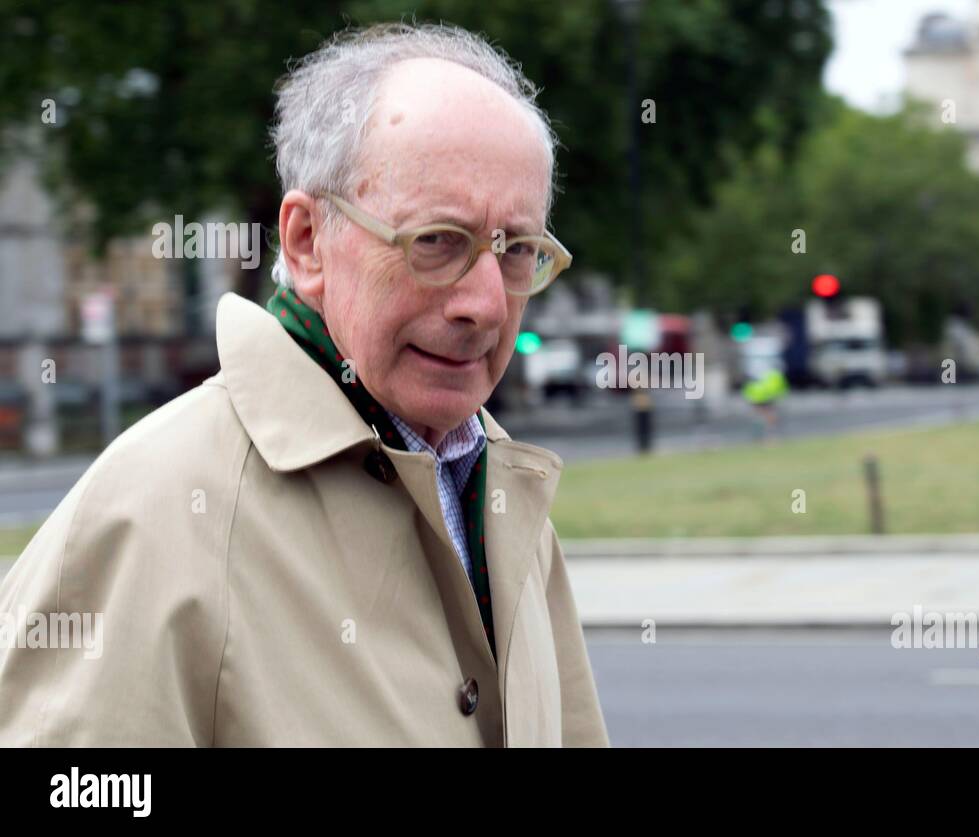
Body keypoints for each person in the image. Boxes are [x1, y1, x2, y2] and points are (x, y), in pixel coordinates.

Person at [0, 23, 609, 747]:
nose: (483, 301)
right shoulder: (155, 509)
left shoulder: (501, 489)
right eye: (437, 241)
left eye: (516, 251)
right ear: (306, 241)